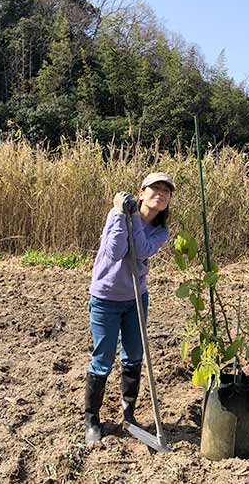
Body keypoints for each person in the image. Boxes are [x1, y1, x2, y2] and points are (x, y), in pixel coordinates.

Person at [84, 172, 175, 445]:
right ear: (141, 192)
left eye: (166, 191)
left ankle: (128, 414)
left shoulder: (161, 231)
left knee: (134, 355)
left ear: (168, 200)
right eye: (154, 188)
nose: (160, 193)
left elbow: (140, 251)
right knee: (102, 358)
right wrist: (121, 214)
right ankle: (91, 420)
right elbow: (115, 250)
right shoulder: (116, 215)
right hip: (106, 297)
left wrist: (134, 217)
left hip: (136, 299)